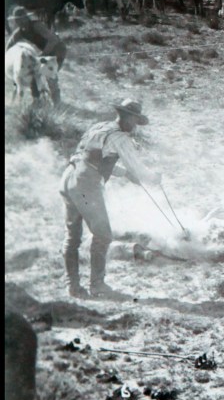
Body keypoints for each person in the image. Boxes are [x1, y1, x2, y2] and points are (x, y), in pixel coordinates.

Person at [60, 100, 161, 298]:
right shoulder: (121, 138)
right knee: (104, 235)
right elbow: (137, 167)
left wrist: (124, 174)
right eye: (135, 121)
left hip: (68, 178)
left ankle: (73, 287)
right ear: (129, 118)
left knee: (72, 236)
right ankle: (97, 285)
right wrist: (153, 177)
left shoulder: (99, 128)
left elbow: (91, 159)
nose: (135, 126)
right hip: (85, 185)